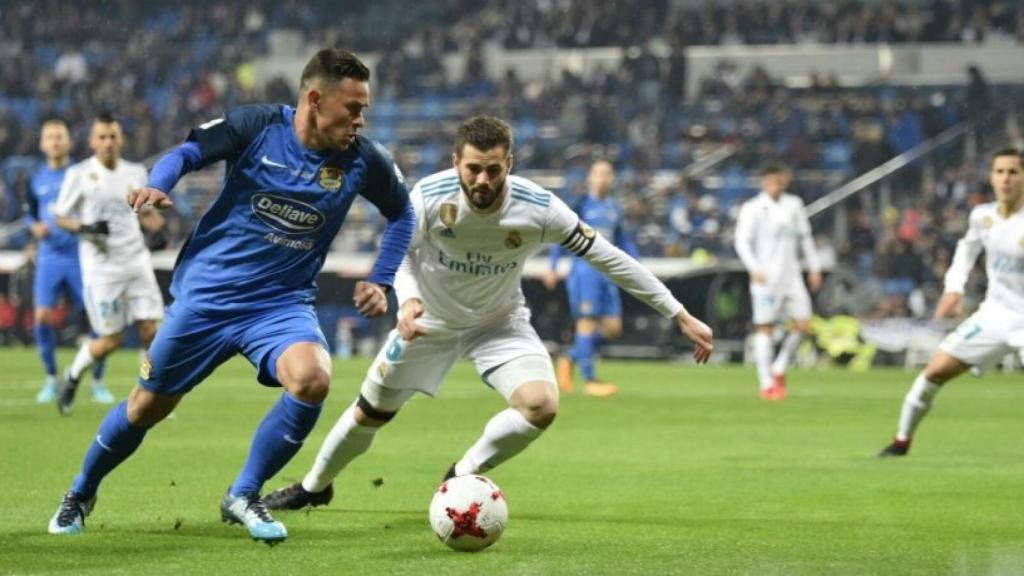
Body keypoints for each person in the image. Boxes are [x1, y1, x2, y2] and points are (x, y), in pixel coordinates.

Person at [47, 48, 415, 544]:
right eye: (353, 108)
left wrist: (384, 278)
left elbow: (403, 213)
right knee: (143, 408)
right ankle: (80, 490)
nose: (360, 119)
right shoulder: (259, 126)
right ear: (314, 99)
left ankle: (244, 493)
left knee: (312, 379)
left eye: (364, 109)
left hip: (280, 306)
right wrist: (157, 184)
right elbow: (187, 152)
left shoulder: (362, 159)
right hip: (207, 298)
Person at [261, 116, 714, 512]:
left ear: (509, 165)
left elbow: (608, 256)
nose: (482, 180)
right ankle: (314, 486)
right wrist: (409, 298)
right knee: (370, 413)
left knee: (541, 406)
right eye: (473, 168)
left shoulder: (538, 207)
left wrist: (678, 312)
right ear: (457, 162)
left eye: (493, 170)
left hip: (499, 323)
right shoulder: (429, 196)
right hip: (429, 322)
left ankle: (462, 474)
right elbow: (399, 251)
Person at [879, 148, 1024, 457]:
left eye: (1013, 172)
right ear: (991, 177)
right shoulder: (982, 217)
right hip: (995, 316)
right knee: (934, 372)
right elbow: (966, 250)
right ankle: (900, 442)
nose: (1006, 179)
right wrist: (953, 288)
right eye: (1000, 172)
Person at [52, 114, 164, 414]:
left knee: (150, 329)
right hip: (102, 268)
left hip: (136, 260)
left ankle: (147, 392)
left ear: (121, 139)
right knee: (111, 340)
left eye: (113, 136)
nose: (108, 142)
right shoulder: (79, 174)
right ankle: (72, 376)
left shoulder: (136, 172)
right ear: (91, 141)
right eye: (101, 137)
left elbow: (147, 213)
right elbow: (60, 216)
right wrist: (84, 228)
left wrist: (159, 228)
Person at [24, 119, 107, 403]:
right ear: (42, 144)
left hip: (80, 254)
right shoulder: (36, 179)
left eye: (60, 136)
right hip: (49, 255)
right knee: (42, 317)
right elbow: (30, 214)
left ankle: (97, 382)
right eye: (50, 137)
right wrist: (33, 227)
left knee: (99, 318)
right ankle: (50, 378)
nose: (55, 141)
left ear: (70, 142)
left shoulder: (84, 174)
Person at [543, 159, 639, 397]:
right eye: (598, 173)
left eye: (607, 174)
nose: (603, 178)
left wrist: (637, 264)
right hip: (585, 272)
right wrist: (553, 266)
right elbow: (561, 235)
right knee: (586, 323)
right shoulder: (581, 204)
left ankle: (570, 357)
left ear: (613, 178)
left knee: (613, 329)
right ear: (590, 178)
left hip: (607, 273)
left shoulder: (614, 207)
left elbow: (623, 239)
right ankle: (590, 381)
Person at [734, 163, 821, 400]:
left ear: (785, 180)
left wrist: (814, 268)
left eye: (779, 180)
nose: (775, 185)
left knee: (804, 325)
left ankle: (779, 366)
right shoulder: (753, 208)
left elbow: (805, 239)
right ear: (764, 181)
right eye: (771, 180)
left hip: (791, 276)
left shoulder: (794, 205)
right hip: (765, 278)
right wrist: (754, 267)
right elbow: (741, 242)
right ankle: (766, 383)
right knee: (765, 328)